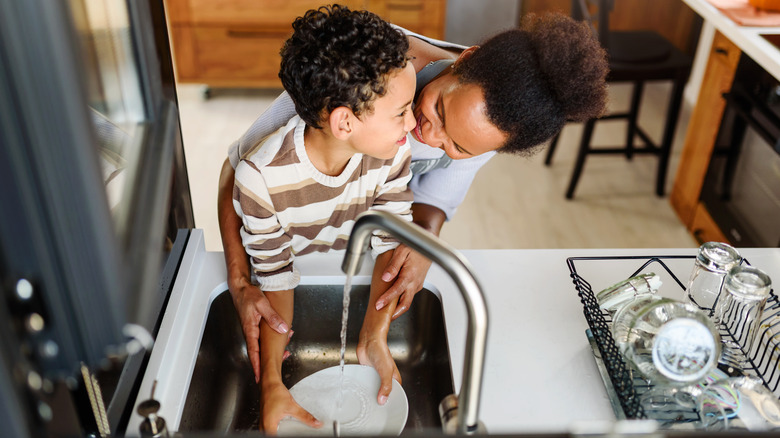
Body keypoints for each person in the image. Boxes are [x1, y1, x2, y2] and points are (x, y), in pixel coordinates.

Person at [218, 7, 609, 408]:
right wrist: (239, 279)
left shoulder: (489, 124)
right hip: (286, 229)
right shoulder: (366, 68)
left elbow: (426, 207)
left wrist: (421, 244)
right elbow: (241, 171)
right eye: (438, 108)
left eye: (457, 147)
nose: (423, 132)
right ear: (465, 60)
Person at [231, 5, 417, 432]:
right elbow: (275, 280)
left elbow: (390, 245)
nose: (412, 122)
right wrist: (272, 384)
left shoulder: (392, 153)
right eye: (401, 111)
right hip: (299, 270)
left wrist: (375, 337)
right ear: (344, 121)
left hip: (346, 270)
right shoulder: (261, 178)